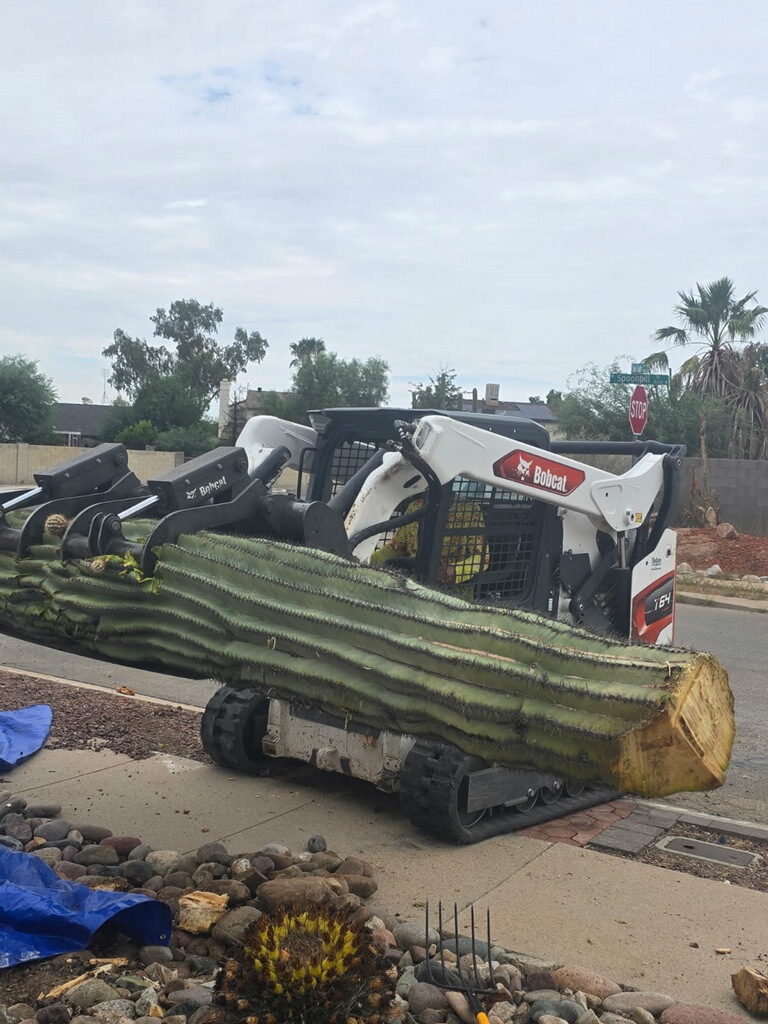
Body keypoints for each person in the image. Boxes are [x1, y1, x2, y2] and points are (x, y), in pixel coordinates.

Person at [370, 495, 488, 587]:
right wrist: (370, 559)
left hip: (452, 590)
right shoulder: (415, 507)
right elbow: (396, 548)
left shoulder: (470, 511)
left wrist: (455, 571)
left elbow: (482, 558)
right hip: (412, 581)